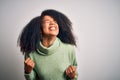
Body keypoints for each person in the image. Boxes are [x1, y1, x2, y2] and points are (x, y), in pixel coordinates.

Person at [18, 9, 78, 80]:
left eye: (55, 22)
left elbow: (74, 76)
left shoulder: (69, 49)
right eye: (47, 21)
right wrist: (28, 71)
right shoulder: (30, 52)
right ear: (39, 28)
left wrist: (73, 76)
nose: (53, 23)